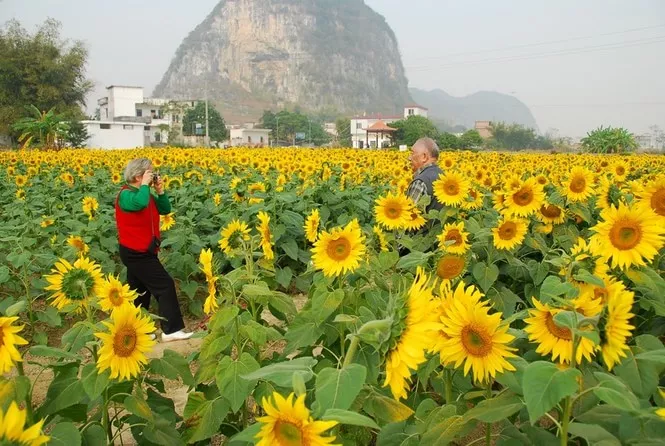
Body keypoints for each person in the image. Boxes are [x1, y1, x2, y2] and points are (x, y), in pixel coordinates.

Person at [115, 158, 193, 342]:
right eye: (149, 173)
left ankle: (137, 332)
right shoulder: (126, 194)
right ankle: (171, 330)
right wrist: (144, 186)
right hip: (135, 251)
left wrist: (160, 191)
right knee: (164, 285)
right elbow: (139, 204)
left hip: (145, 249)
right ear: (137, 176)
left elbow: (165, 209)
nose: (153, 176)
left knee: (139, 292)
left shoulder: (146, 194)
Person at [406, 137, 443, 213]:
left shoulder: (420, 182)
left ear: (424, 157)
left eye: (412, 153)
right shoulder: (443, 175)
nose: (409, 158)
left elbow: (410, 215)